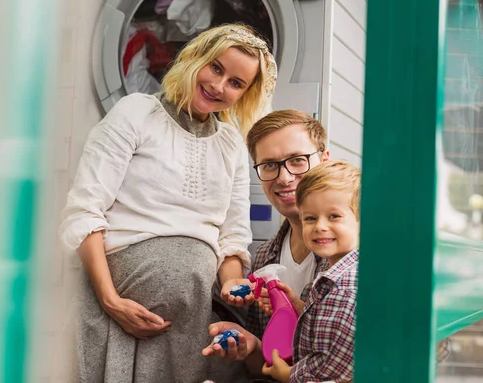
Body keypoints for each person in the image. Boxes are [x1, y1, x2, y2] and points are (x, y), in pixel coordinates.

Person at [59, 23, 277, 383]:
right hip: (112, 310)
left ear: (245, 94)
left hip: (190, 324)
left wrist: (231, 284)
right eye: (216, 67)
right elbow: (83, 211)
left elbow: (232, 239)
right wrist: (111, 300)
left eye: (236, 83)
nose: (219, 86)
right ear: (195, 58)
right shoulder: (136, 112)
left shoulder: (232, 146)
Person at [203, 160, 361, 383]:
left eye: (334, 216)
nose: (320, 226)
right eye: (310, 218)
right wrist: (299, 307)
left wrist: (289, 375)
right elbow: (326, 331)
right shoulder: (330, 270)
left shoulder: (342, 285)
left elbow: (333, 366)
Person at [244, 110, 330, 338]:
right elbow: (265, 359)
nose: (284, 178)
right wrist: (248, 345)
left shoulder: (355, 250)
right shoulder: (263, 257)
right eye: (270, 165)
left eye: (297, 161)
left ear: (325, 160)